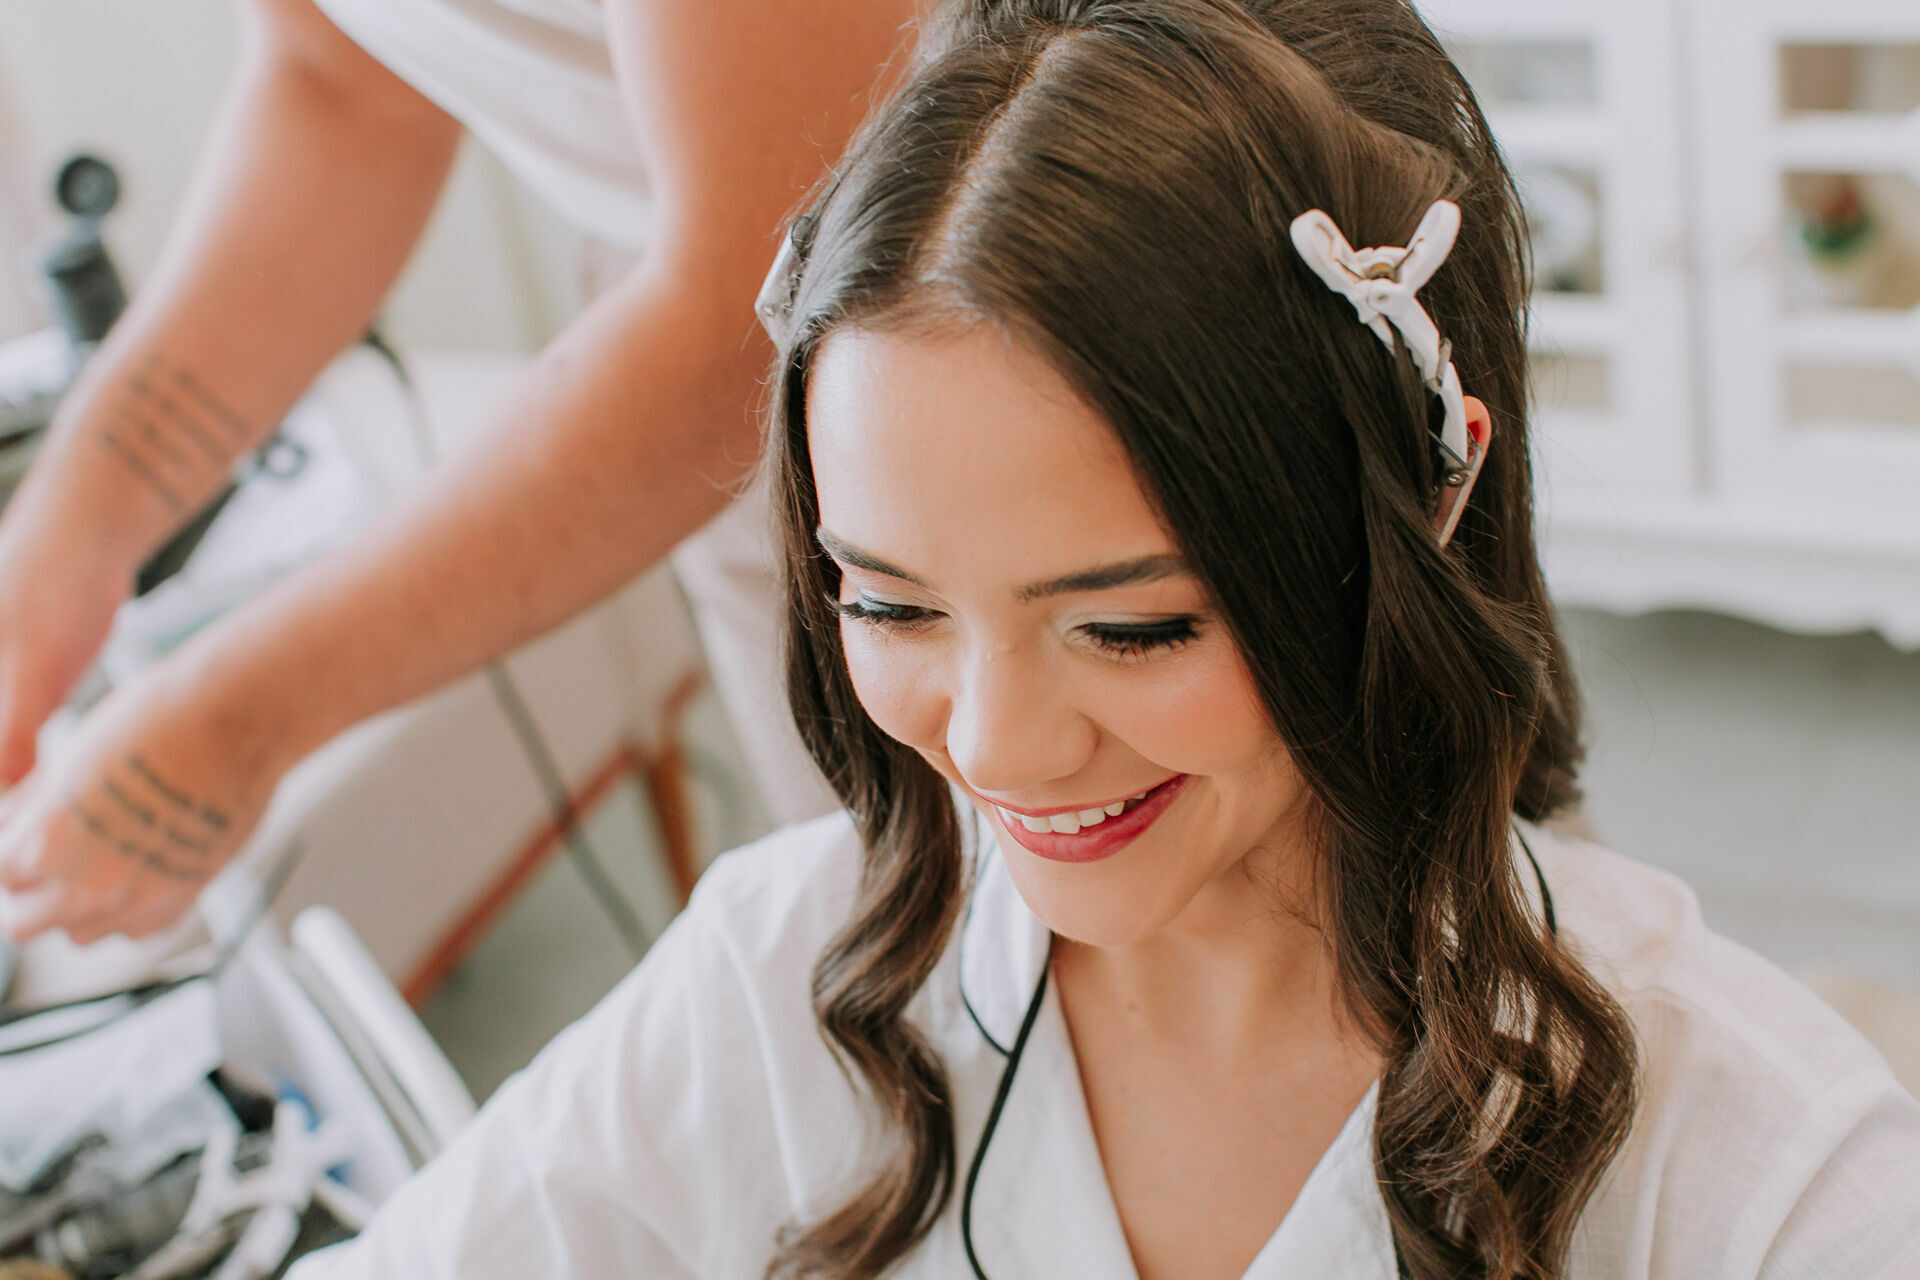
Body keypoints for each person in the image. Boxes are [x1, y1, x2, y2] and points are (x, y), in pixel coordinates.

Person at [289, 0, 1920, 1276]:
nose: (995, 745)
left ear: (1428, 492)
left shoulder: (1763, 1168)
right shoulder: (780, 978)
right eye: (890, 601)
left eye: (1130, 626)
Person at [0, 0, 921, 944]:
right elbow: (337, 88)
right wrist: (64, 533)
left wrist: (235, 724)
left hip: (926, 366)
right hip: (738, 404)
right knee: (869, 915)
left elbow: (753, 297)